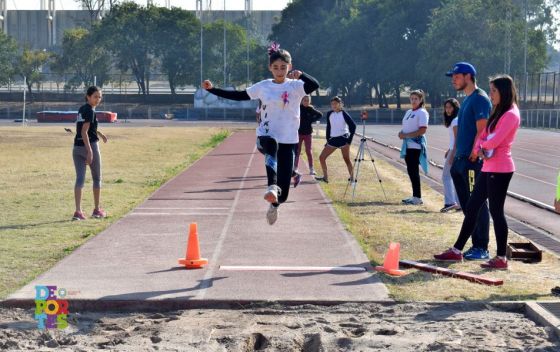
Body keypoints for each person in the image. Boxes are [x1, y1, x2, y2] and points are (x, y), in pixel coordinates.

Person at [202, 42, 319, 225]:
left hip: (289, 139)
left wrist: (302, 75)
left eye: (283, 67)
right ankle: (271, 186)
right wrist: (212, 89)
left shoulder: (296, 86)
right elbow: (239, 95)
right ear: (270, 68)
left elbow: (314, 85)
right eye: (275, 67)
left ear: (289, 66)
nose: (280, 71)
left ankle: (275, 204)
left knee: (284, 194)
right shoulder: (263, 86)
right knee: (272, 144)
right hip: (266, 136)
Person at [434, 75, 521, 269]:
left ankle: (501, 258)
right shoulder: (499, 111)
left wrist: (482, 148)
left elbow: (494, 139)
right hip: (489, 167)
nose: (490, 95)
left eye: (494, 91)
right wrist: (479, 148)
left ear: (504, 92)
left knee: (497, 212)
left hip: (500, 169)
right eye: (490, 91)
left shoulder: (511, 113)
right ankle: (456, 251)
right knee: (472, 207)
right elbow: (483, 134)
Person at [446, 62, 492, 260]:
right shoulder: (467, 100)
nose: (453, 80)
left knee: (478, 204)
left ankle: (481, 246)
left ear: (468, 76)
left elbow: (482, 131)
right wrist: (454, 156)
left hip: (472, 161)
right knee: (467, 205)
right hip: (461, 160)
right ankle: (473, 244)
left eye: (456, 76)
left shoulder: (480, 99)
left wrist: (474, 153)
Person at [72, 86, 108, 220]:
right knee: (97, 178)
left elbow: (88, 127)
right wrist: (90, 151)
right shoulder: (91, 111)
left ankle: (78, 212)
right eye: (95, 97)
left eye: (99, 97)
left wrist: (100, 134)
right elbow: (84, 132)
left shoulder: (82, 109)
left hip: (76, 147)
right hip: (89, 145)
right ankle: (97, 210)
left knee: (80, 179)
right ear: (88, 96)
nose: (98, 99)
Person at [314, 96, 356, 184]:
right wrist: (327, 139)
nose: (333, 105)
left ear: (340, 104)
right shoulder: (329, 114)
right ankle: (325, 178)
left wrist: (349, 142)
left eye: (335, 104)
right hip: (333, 140)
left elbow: (353, 126)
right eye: (332, 104)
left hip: (343, 139)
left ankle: (352, 179)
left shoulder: (344, 113)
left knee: (346, 159)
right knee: (322, 157)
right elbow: (329, 127)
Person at [398, 90, 429, 205]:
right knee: (411, 171)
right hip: (407, 145)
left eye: (416, 98)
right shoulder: (409, 112)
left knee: (414, 171)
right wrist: (401, 133)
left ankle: (418, 197)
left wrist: (405, 135)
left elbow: (422, 130)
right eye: (412, 98)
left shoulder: (422, 112)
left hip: (415, 146)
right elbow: (407, 127)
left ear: (421, 100)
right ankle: (415, 195)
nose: (413, 101)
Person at [294, 95, 322, 182]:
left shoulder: (310, 109)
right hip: (298, 133)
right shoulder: (298, 108)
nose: (306, 102)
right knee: (297, 151)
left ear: (309, 101)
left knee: (308, 151)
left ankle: (311, 169)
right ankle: (295, 168)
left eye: (307, 100)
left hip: (308, 133)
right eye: (304, 100)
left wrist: (311, 119)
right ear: (301, 101)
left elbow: (320, 115)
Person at [441, 98, 461, 212]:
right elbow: (453, 139)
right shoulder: (454, 120)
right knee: (455, 177)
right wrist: (449, 150)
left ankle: (450, 202)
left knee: (446, 176)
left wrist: (452, 154)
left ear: (455, 108)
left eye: (450, 107)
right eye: (446, 107)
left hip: (456, 151)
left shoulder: (455, 121)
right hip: (453, 150)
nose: (448, 110)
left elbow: (457, 139)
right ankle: (459, 203)